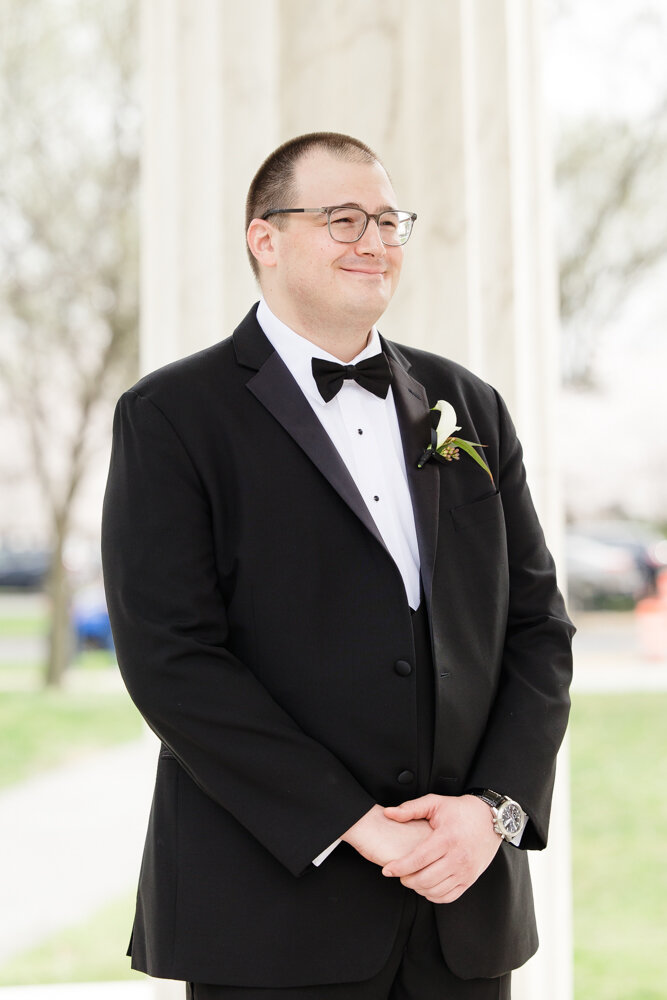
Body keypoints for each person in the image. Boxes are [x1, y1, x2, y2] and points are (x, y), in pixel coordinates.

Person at [101, 131, 574, 1000]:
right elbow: (172, 661)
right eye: (344, 218)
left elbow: (537, 630)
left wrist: (492, 812)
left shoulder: (467, 404)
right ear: (264, 238)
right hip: (268, 912)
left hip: (459, 905)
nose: (377, 241)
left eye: (390, 220)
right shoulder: (169, 415)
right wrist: (357, 825)